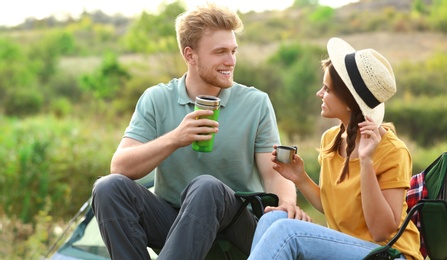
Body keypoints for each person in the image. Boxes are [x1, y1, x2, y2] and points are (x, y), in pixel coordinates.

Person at [91, 3, 310, 260]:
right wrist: (175, 138)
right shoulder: (156, 99)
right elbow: (120, 167)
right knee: (108, 188)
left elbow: (274, 173)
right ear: (190, 55)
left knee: (206, 187)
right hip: (175, 223)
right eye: (220, 52)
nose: (230, 61)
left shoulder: (255, 102)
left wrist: (287, 203)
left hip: (236, 224)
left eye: (233, 51)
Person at [248, 37, 423, 260]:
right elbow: (334, 208)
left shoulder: (392, 151)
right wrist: (300, 178)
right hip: (349, 248)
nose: (319, 93)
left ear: (350, 103)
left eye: (327, 89)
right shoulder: (331, 139)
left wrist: (366, 161)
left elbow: (381, 231)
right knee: (273, 219)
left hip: (388, 254)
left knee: (288, 233)